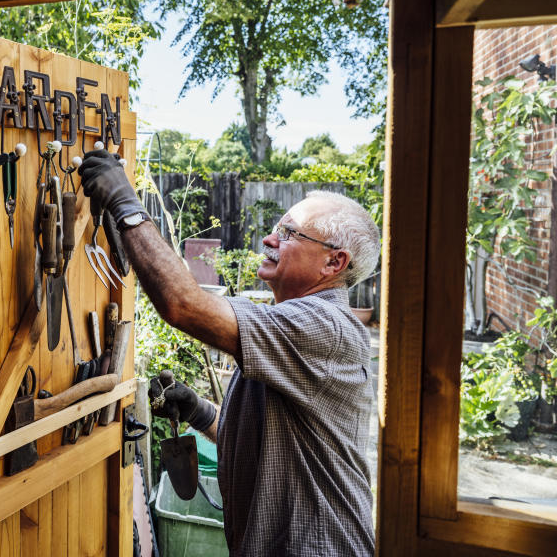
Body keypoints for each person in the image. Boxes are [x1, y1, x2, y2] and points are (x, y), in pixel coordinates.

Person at [79, 150, 380, 557]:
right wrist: (200, 412)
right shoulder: (293, 324)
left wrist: (125, 204)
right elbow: (268, 448)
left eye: (290, 234)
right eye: (277, 229)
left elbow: (183, 305)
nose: (270, 240)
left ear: (334, 262)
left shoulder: (324, 327)